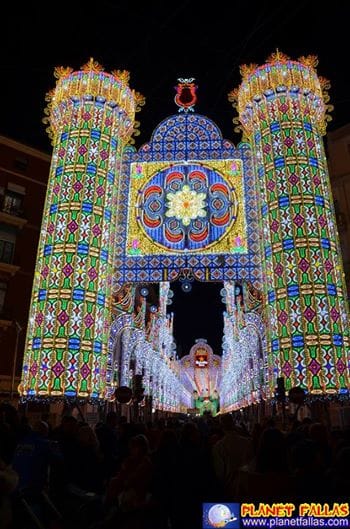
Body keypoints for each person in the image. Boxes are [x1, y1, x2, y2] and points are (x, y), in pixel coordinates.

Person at [212, 414, 253, 498]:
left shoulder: (219, 446)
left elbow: (219, 471)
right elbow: (251, 463)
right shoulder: (246, 442)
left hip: (228, 485)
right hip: (246, 484)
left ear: (221, 426)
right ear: (233, 423)